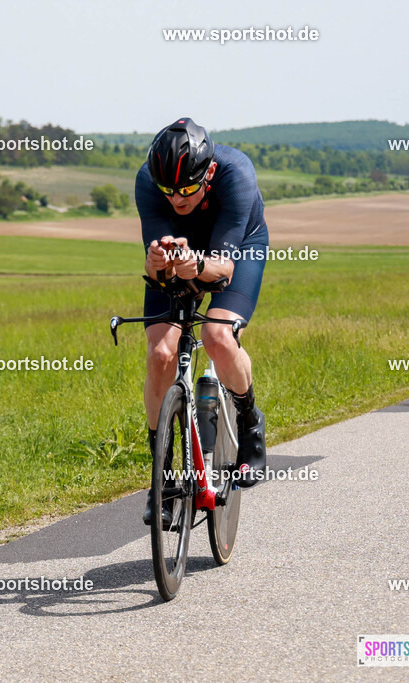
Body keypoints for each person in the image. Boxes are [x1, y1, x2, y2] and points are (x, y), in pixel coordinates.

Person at [135, 117, 269, 527]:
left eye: (188, 190)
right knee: (161, 354)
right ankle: (163, 473)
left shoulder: (236, 174)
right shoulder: (149, 180)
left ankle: (249, 420)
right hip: (183, 253)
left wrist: (197, 265)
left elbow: (223, 267)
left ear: (208, 173)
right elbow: (156, 269)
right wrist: (159, 263)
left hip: (237, 248)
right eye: (169, 192)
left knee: (216, 336)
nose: (177, 199)